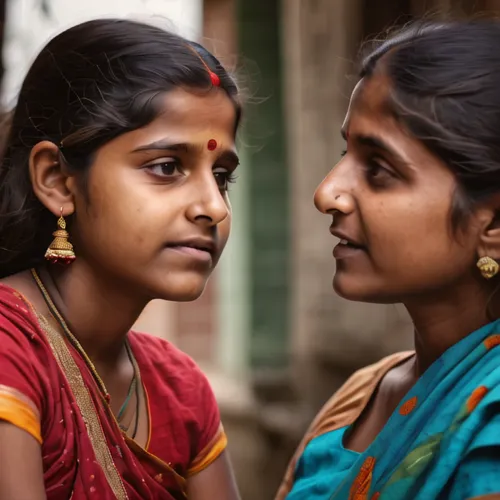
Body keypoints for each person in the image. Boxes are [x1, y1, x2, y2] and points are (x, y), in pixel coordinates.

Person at [0, 18, 242, 500]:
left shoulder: (180, 389)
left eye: (221, 176)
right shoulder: (10, 351)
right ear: (57, 181)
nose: (213, 207)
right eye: (167, 167)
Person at [277, 19, 500, 500]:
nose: (327, 193)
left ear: (494, 223)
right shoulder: (361, 394)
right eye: (345, 152)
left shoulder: (492, 429)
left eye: (378, 168)